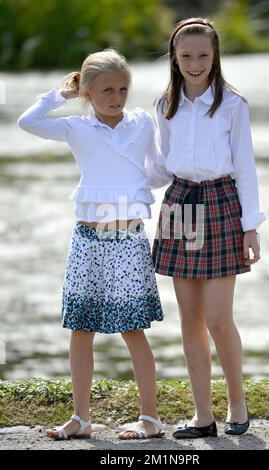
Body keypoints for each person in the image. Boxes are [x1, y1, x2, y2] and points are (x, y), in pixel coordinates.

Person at [17, 48, 171, 441]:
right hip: (86, 240)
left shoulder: (141, 124)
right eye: (106, 90)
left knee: (133, 329)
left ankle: (150, 418)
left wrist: (139, 184)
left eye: (122, 89)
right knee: (80, 328)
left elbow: (156, 172)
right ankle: (81, 419)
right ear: (87, 92)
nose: (116, 97)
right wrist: (60, 95)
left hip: (127, 240)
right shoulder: (76, 128)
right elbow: (27, 121)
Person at [152, 18, 266, 438]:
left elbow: (246, 167)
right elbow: (161, 166)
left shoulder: (233, 104)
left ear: (215, 55)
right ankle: (203, 417)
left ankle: (238, 404)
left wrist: (250, 226)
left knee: (219, 319)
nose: (194, 63)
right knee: (190, 321)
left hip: (221, 203)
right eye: (186, 56)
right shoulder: (165, 104)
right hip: (180, 203)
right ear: (174, 58)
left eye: (202, 55)